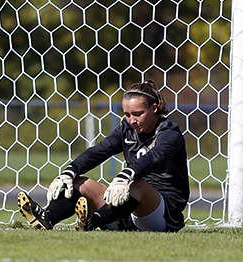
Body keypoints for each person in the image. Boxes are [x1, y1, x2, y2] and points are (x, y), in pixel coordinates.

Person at [17, 80, 189, 232]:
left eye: (138, 114)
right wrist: (70, 170)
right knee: (77, 182)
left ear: (154, 108)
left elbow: (155, 156)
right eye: (127, 115)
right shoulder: (127, 129)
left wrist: (126, 174)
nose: (132, 120)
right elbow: (99, 151)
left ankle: (94, 221)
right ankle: (47, 218)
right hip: (125, 209)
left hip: (163, 215)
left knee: (138, 185)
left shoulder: (170, 133)